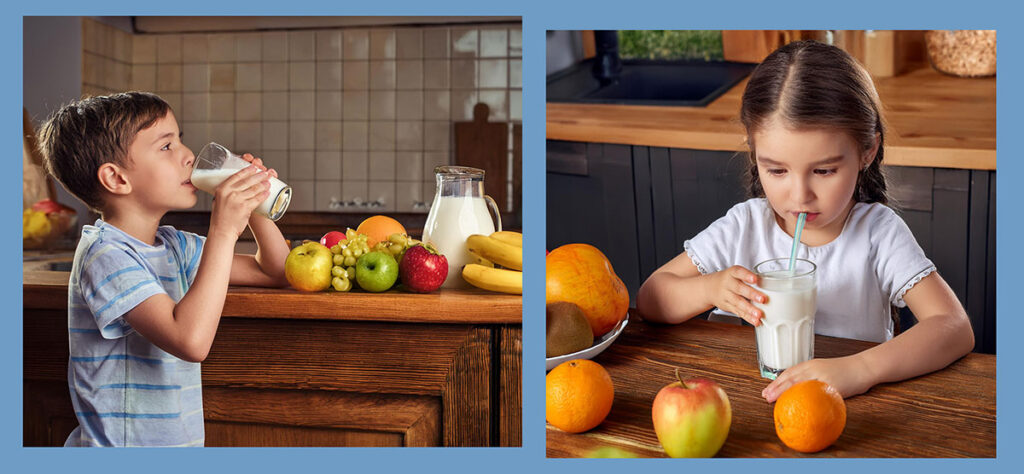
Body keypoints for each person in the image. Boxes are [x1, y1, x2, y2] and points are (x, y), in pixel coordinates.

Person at [637, 40, 974, 403]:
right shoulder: (744, 226)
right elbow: (651, 298)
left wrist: (860, 370)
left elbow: (954, 327)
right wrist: (708, 289)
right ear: (754, 152)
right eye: (777, 170)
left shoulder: (878, 233)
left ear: (867, 152)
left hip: (850, 410)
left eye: (824, 170)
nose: (800, 195)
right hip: (740, 401)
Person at [37, 91, 291, 446]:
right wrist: (223, 229)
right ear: (116, 179)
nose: (188, 155)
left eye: (180, 140)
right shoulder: (105, 254)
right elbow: (190, 340)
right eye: (166, 146)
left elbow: (276, 271)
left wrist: (255, 204)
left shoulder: (173, 244)